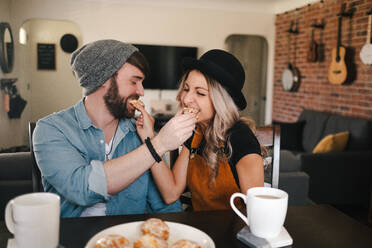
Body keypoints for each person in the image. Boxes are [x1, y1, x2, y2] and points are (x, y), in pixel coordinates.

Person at [33, 40, 196, 217]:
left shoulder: (140, 133)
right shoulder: (52, 130)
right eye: (134, 82)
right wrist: (158, 145)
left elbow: (164, 206)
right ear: (103, 79)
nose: (141, 91)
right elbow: (82, 189)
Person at [147, 49, 265, 211]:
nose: (186, 99)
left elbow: (258, 211)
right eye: (186, 89)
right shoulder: (195, 131)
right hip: (199, 230)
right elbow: (171, 193)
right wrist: (150, 139)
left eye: (200, 93)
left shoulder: (240, 138)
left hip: (232, 231)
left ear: (221, 101)